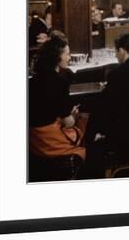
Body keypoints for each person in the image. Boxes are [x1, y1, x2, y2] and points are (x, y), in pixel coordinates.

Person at [85, 33, 129, 175]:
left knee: (92, 145)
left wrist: (92, 133)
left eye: (115, 52)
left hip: (125, 139)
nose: (116, 56)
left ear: (122, 50)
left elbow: (104, 108)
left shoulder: (116, 73)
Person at [29, 31, 88, 167]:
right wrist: (74, 114)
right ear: (57, 57)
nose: (69, 57)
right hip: (50, 142)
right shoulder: (59, 82)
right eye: (67, 54)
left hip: (34, 141)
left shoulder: (33, 81)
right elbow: (68, 123)